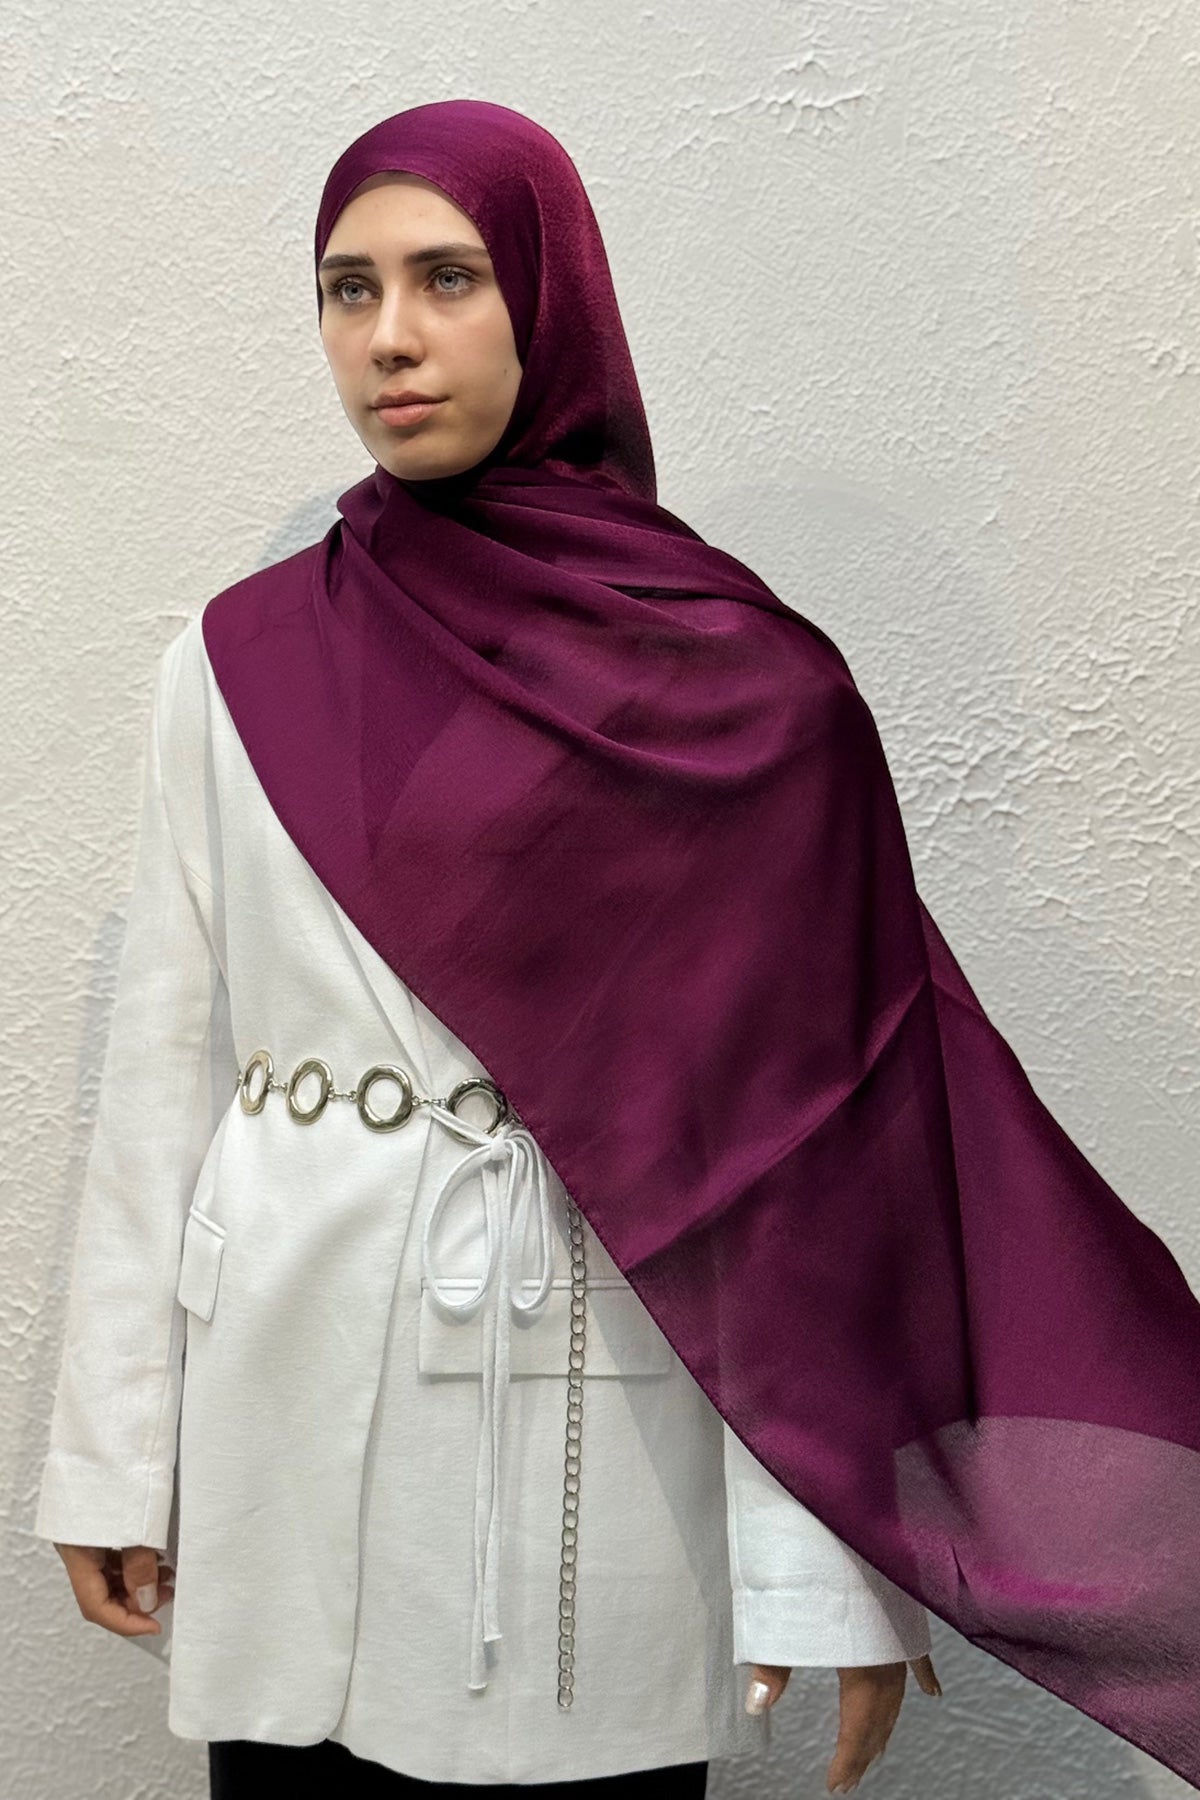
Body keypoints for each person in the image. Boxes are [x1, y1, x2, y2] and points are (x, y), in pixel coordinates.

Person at [32, 103, 946, 1798]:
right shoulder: (234, 660)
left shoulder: (741, 691)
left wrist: (824, 1568)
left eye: (448, 277)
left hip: (580, 1400)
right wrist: (114, 1454)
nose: (389, 336)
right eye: (349, 287)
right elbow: (163, 1073)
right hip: (282, 1393)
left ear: (551, 296)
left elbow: (804, 1153)